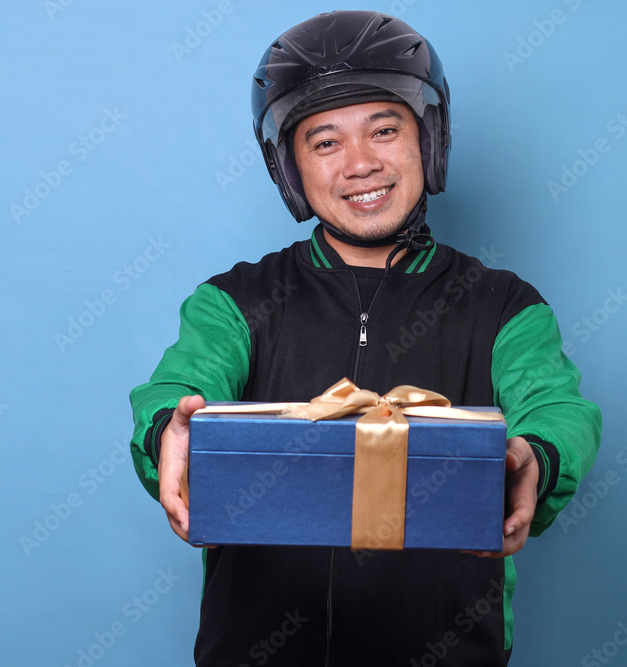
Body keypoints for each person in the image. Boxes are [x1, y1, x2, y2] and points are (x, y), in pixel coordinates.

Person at [130, 10, 601, 665]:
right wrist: (168, 428)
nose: (359, 164)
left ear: (428, 140)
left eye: (384, 130)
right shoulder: (233, 302)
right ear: (290, 166)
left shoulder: (504, 306)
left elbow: (558, 406)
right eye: (325, 142)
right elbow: (181, 382)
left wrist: (537, 454)